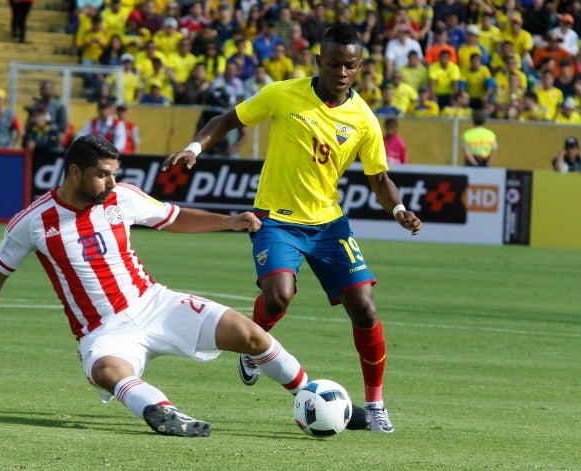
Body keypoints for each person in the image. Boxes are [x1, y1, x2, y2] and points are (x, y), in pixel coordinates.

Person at [0, 135, 313, 437]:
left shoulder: (122, 197)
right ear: (74, 172)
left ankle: (312, 396)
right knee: (107, 371)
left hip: (156, 304)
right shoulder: (34, 221)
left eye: (114, 174)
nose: (111, 183)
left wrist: (228, 222)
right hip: (102, 331)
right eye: (102, 174)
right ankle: (163, 412)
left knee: (250, 335)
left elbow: (174, 218)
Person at [161, 23, 423, 433]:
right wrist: (194, 148)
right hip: (276, 218)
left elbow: (379, 179)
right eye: (334, 63)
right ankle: (254, 346)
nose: (341, 72)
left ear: (359, 68)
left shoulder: (364, 119)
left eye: (349, 66)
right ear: (318, 60)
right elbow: (228, 120)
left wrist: (400, 209)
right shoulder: (283, 93)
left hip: (328, 224)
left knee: (365, 307)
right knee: (279, 296)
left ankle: (375, 405)